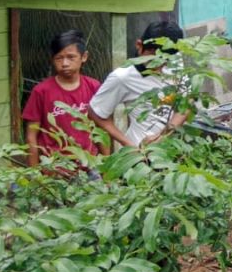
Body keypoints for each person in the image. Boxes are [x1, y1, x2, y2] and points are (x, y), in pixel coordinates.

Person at [89, 21, 185, 149]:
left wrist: (165, 134)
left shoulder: (175, 64)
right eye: (153, 57)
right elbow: (96, 112)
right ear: (139, 45)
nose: (158, 64)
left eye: (164, 60)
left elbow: (186, 103)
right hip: (142, 154)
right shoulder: (123, 77)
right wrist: (129, 145)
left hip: (173, 150)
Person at [22, 30, 106, 166]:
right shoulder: (41, 91)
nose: (65, 63)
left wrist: (106, 168)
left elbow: (101, 130)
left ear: (84, 57)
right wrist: (34, 174)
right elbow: (31, 135)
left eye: (71, 57)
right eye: (59, 58)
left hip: (89, 164)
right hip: (53, 167)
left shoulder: (93, 87)